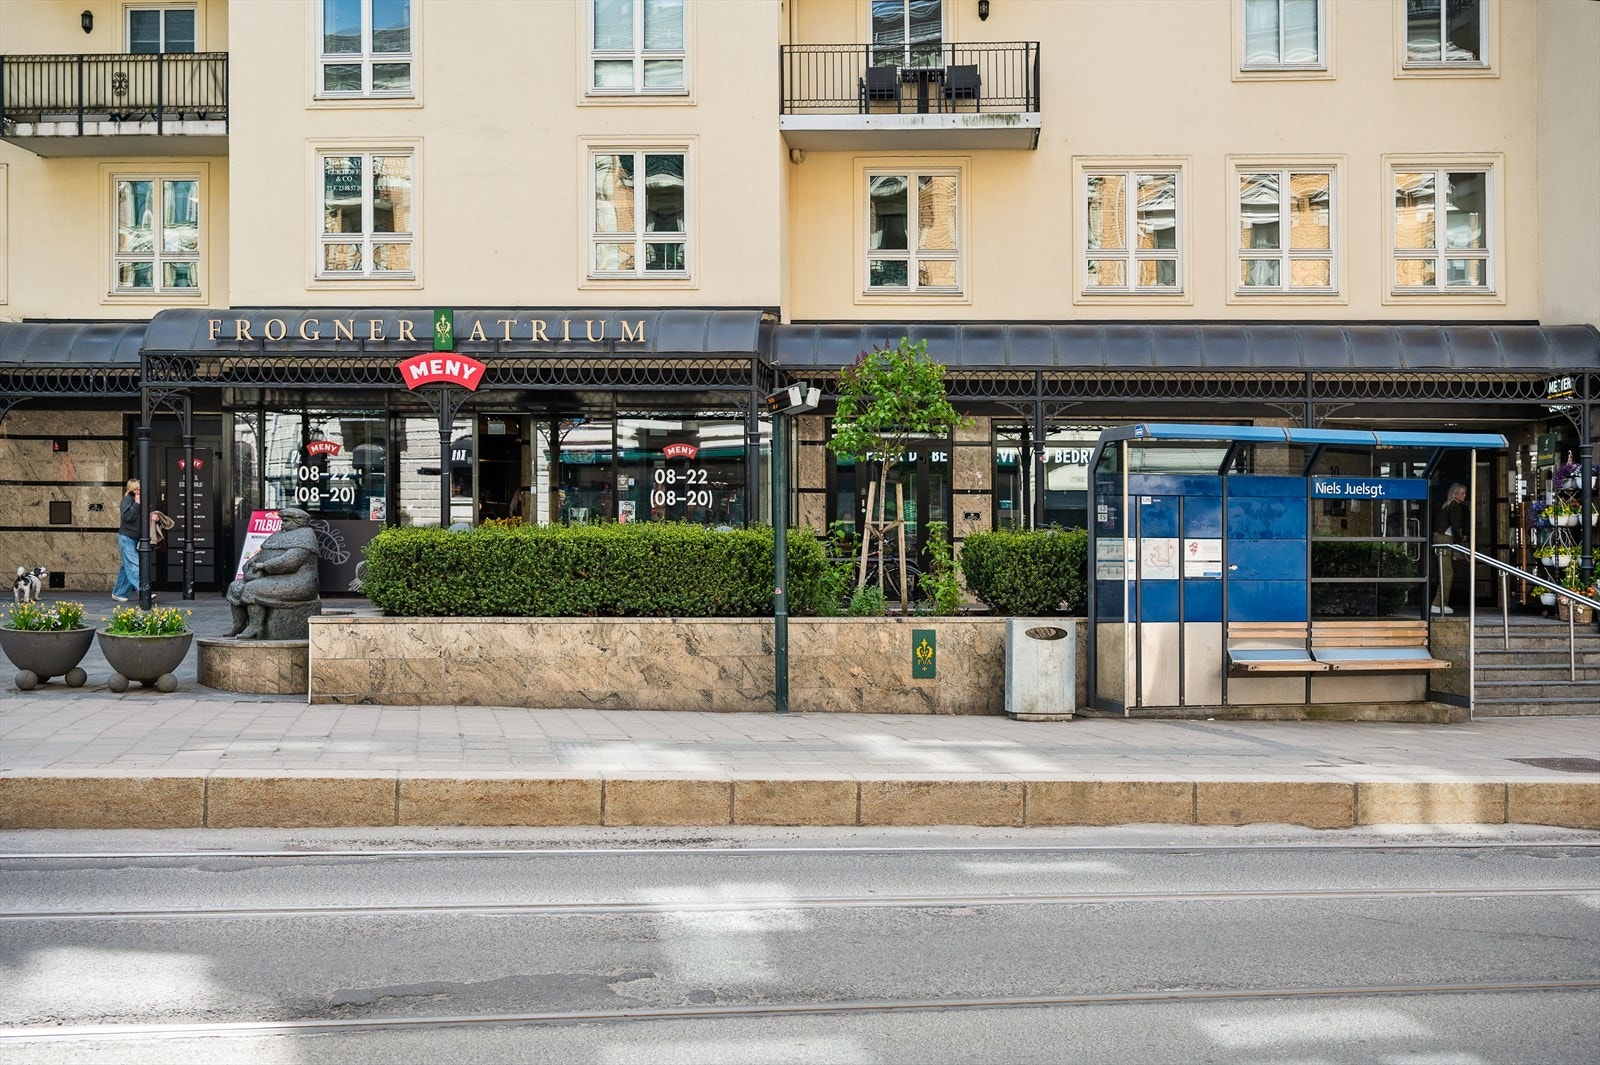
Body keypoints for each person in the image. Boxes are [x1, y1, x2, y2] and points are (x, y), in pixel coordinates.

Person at [1432, 482, 1468, 615]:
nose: (1464, 495)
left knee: (1445, 571)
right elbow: (1456, 526)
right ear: (1455, 493)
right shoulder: (1455, 507)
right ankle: (1439, 603)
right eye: (1462, 493)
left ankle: (1440, 602)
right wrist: (1461, 538)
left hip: (1440, 538)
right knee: (1447, 573)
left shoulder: (1445, 506)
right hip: (1444, 539)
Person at [112, 479, 142, 602]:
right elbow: (127, 516)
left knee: (127, 567)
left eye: (140, 488)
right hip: (127, 537)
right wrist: (136, 504)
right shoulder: (127, 500)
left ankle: (119, 593)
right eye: (137, 489)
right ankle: (144, 590)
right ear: (131, 490)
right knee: (135, 565)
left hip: (136, 537)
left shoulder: (142, 500)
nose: (139, 491)